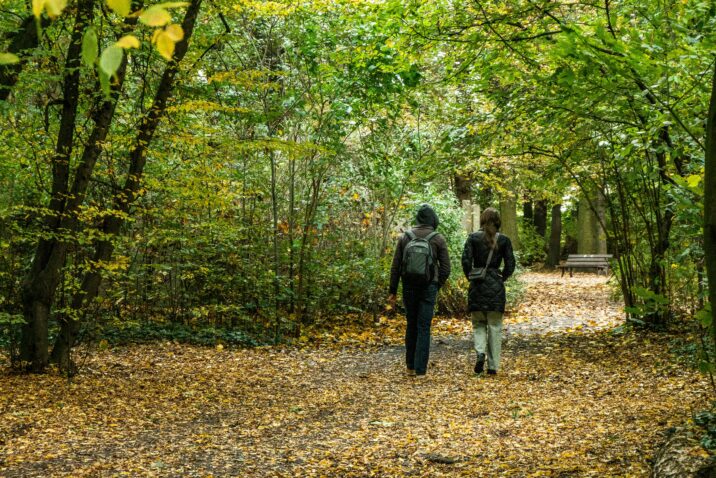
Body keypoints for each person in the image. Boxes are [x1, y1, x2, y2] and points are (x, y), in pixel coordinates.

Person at [388, 204, 451, 378]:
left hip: (409, 286)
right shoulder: (437, 238)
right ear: (433, 220)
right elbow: (446, 268)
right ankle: (421, 370)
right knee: (424, 326)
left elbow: (396, 266)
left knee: (411, 324)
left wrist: (392, 290)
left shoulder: (405, 237)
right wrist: (436, 284)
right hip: (428, 287)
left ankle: (410, 367)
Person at [461, 207, 516, 375]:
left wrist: (471, 276)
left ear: (482, 220)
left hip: (477, 286)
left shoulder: (473, 238)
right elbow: (510, 264)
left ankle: (480, 352)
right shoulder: (504, 240)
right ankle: (493, 366)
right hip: (496, 287)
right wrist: (501, 277)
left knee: (478, 324)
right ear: (498, 221)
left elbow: (465, 261)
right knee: (495, 326)